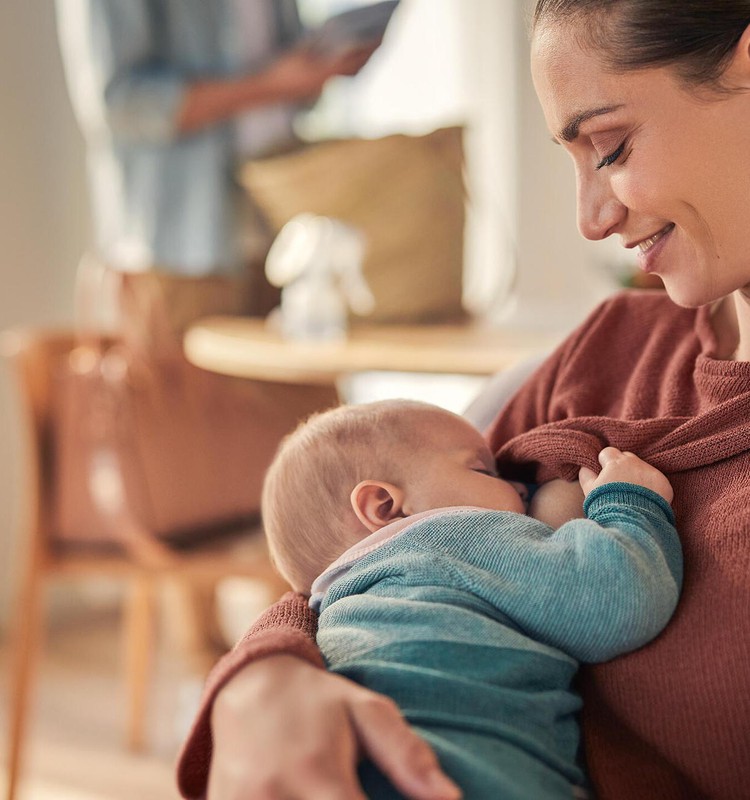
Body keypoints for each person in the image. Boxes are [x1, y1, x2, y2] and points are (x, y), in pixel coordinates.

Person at [176, 3, 750, 799]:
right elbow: (362, 561)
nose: (590, 218)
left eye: (611, 149)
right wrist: (260, 679)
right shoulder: (612, 350)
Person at [261, 398, 681, 799]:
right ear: (386, 506)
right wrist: (629, 501)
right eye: (484, 471)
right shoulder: (450, 534)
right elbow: (613, 603)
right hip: (455, 772)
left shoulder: (333, 609)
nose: (520, 487)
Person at [55, 0, 380, 354]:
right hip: (181, 246)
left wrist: (321, 67)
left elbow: (287, 72)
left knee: (302, 400)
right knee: (185, 401)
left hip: (282, 226)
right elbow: (122, 103)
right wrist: (269, 84)